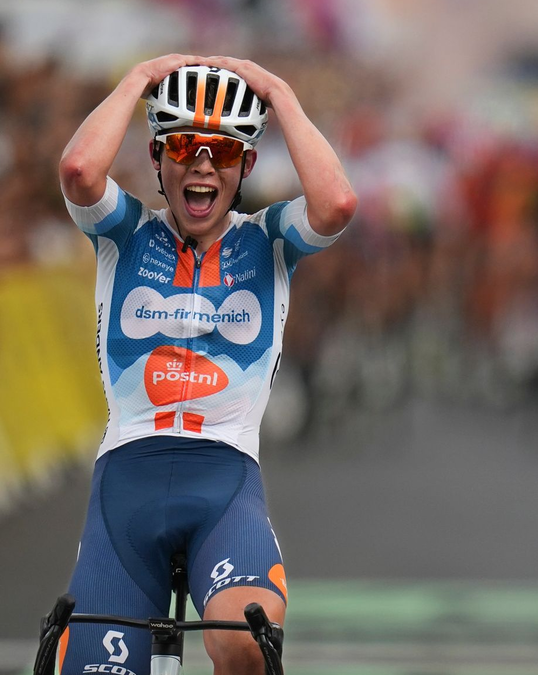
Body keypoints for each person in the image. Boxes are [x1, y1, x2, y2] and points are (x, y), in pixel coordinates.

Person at [57, 55, 357, 674]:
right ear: (157, 159)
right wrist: (137, 80)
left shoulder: (269, 239)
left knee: (247, 643)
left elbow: (335, 204)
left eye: (221, 152)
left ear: (246, 165)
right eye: (184, 147)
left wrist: (278, 91)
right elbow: (81, 170)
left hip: (223, 481)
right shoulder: (124, 233)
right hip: (127, 480)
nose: (200, 165)